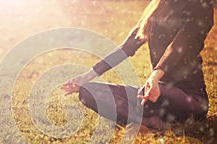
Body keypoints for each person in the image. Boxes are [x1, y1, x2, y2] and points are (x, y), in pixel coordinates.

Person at [61, 0, 214, 130]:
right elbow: (126, 48)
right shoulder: (158, 6)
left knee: (146, 100)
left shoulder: (200, 7)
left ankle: (143, 118)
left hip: (189, 98)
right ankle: (149, 122)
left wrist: (155, 75)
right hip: (152, 91)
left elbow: (177, 48)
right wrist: (87, 76)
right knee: (88, 92)